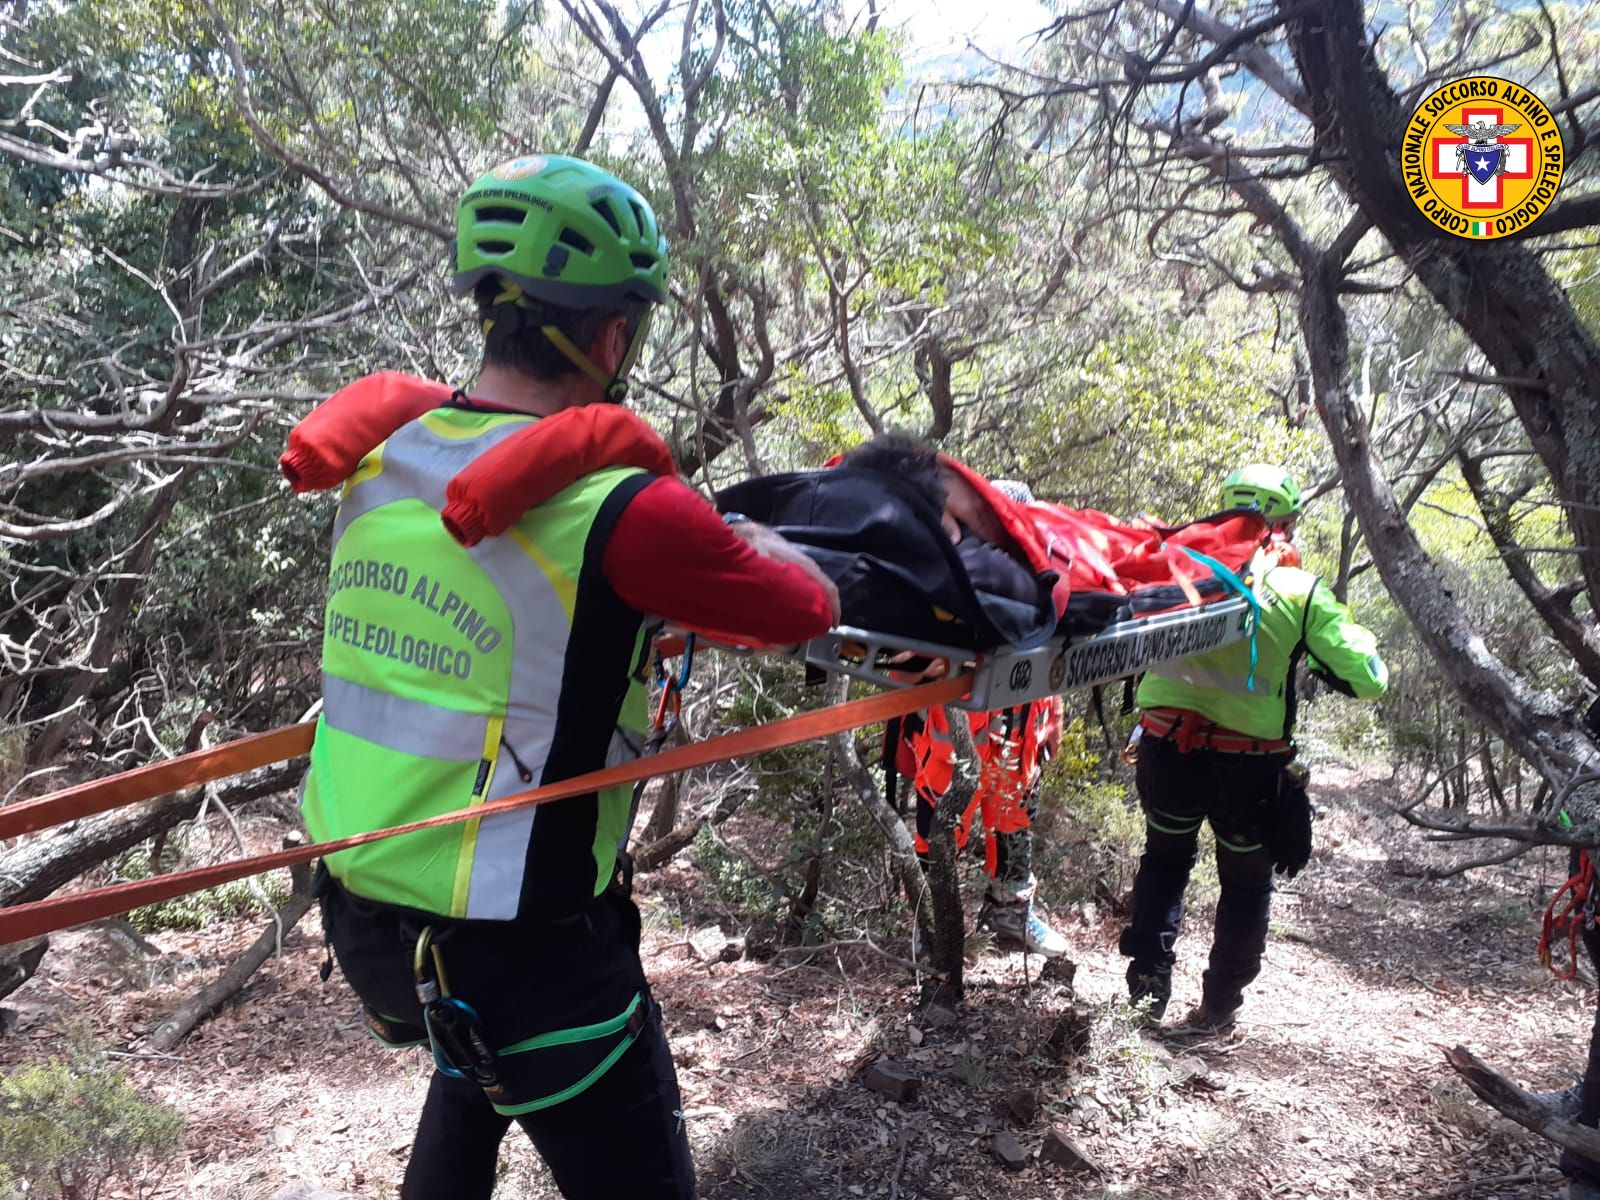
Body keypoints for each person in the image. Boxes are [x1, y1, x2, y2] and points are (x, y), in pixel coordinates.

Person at [298, 154, 838, 1200]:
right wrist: (767, 548)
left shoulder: (380, 459)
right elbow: (804, 613)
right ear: (610, 337)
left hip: (370, 926)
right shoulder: (630, 512)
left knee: (472, 1080)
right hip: (533, 961)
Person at [1118, 463, 1387, 1038]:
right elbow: (1369, 677)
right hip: (1251, 770)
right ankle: (1217, 1010)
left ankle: (1146, 999)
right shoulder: (1297, 589)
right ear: (1284, 523)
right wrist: (1311, 654)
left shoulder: (1172, 572)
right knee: (1245, 885)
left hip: (1166, 751)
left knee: (1165, 864)